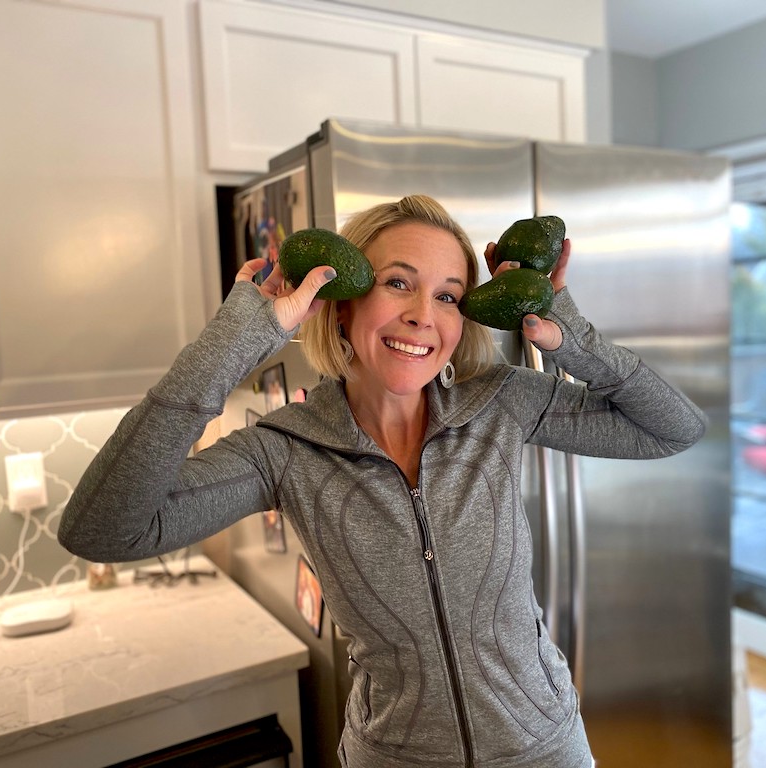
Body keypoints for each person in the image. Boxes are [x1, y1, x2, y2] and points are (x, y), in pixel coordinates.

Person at [59, 194, 707, 768]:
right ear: (340, 305)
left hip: (546, 748)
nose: (424, 314)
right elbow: (103, 529)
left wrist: (567, 332)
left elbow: (672, 429)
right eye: (399, 283)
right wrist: (240, 337)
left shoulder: (502, 403)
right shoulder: (284, 450)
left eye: (449, 295)